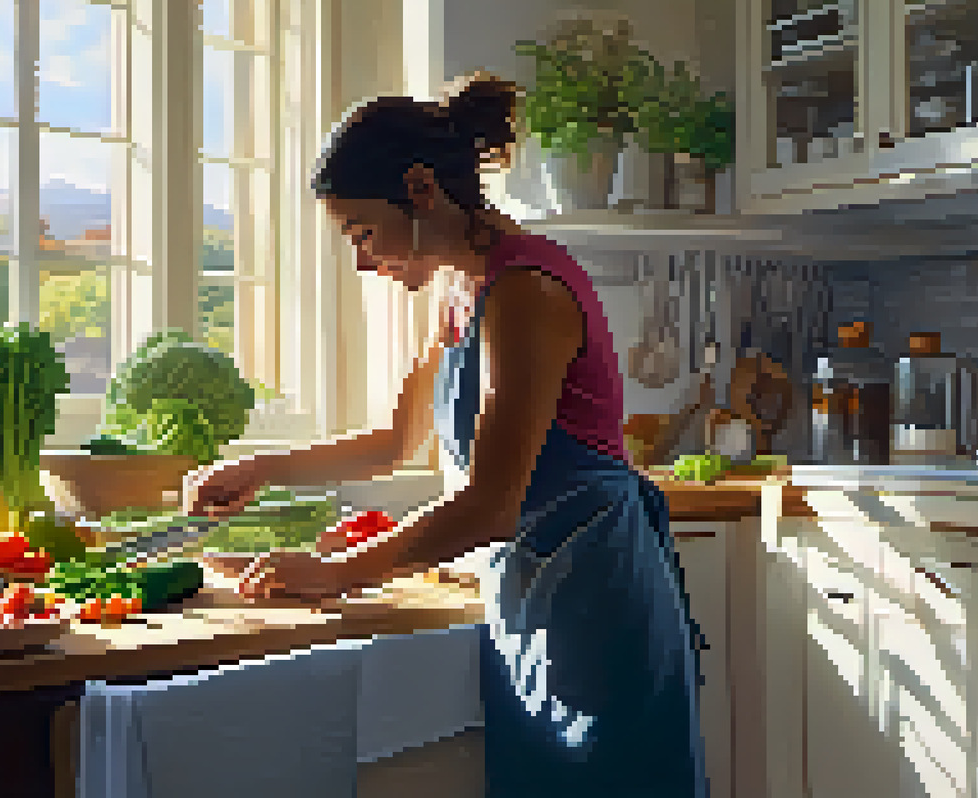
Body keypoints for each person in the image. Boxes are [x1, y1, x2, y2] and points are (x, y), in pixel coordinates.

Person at [182, 72, 709, 797]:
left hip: (595, 599)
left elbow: (490, 505)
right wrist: (262, 466)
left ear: (422, 190)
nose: (363, 261)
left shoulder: (526, 292)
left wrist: (334, 573)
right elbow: (393, 444)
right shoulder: (463, 293)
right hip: (529, 596)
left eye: (364, 234)